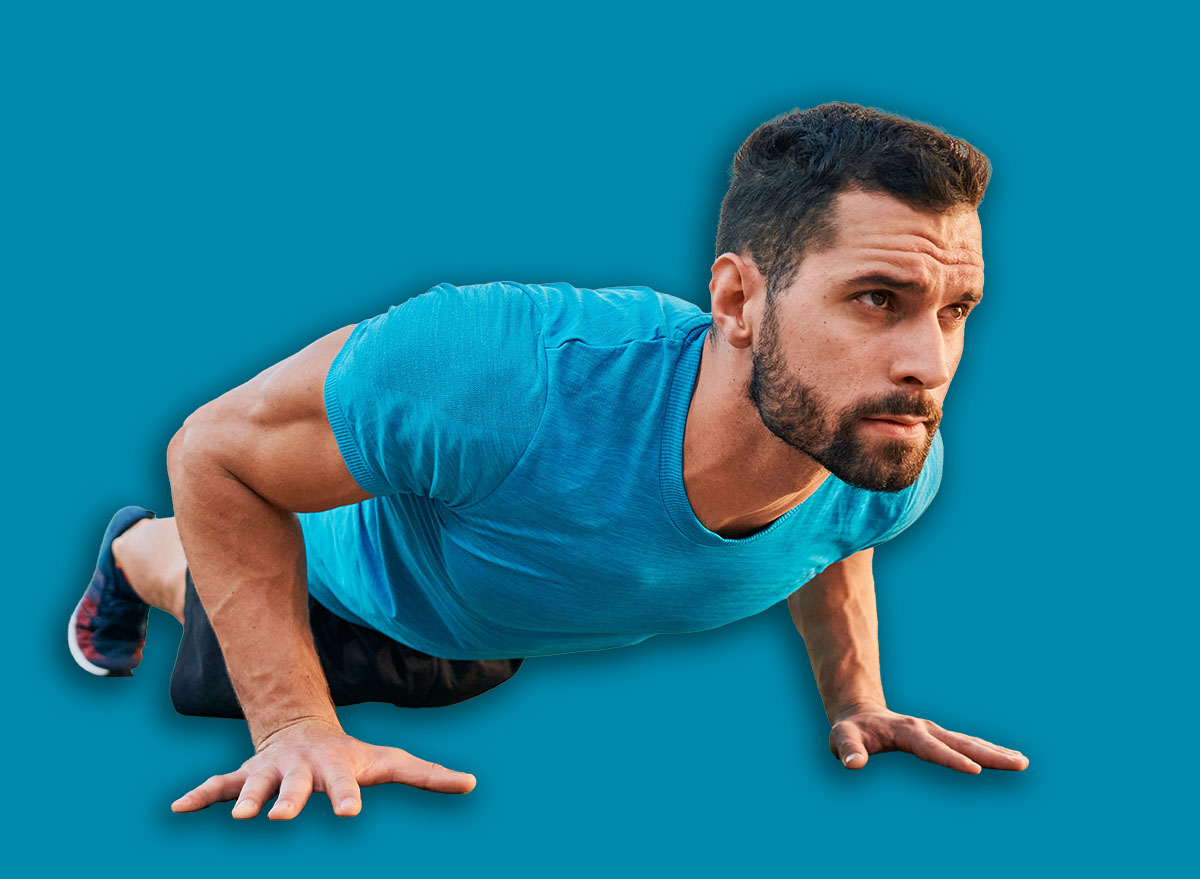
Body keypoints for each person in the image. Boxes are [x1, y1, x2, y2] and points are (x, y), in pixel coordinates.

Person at [69, 102, 1029, 820]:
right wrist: (289, 722)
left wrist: (857, 696)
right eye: (875, 298)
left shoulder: (882, 453)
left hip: (493, 619)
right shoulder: (496, 372)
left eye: (955, 311)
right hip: (328, 591)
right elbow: (214, 453)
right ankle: (124, 553)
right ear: (737, 303)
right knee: (198, 595)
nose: (929, 363)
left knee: (458, 670)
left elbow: (834, 532)